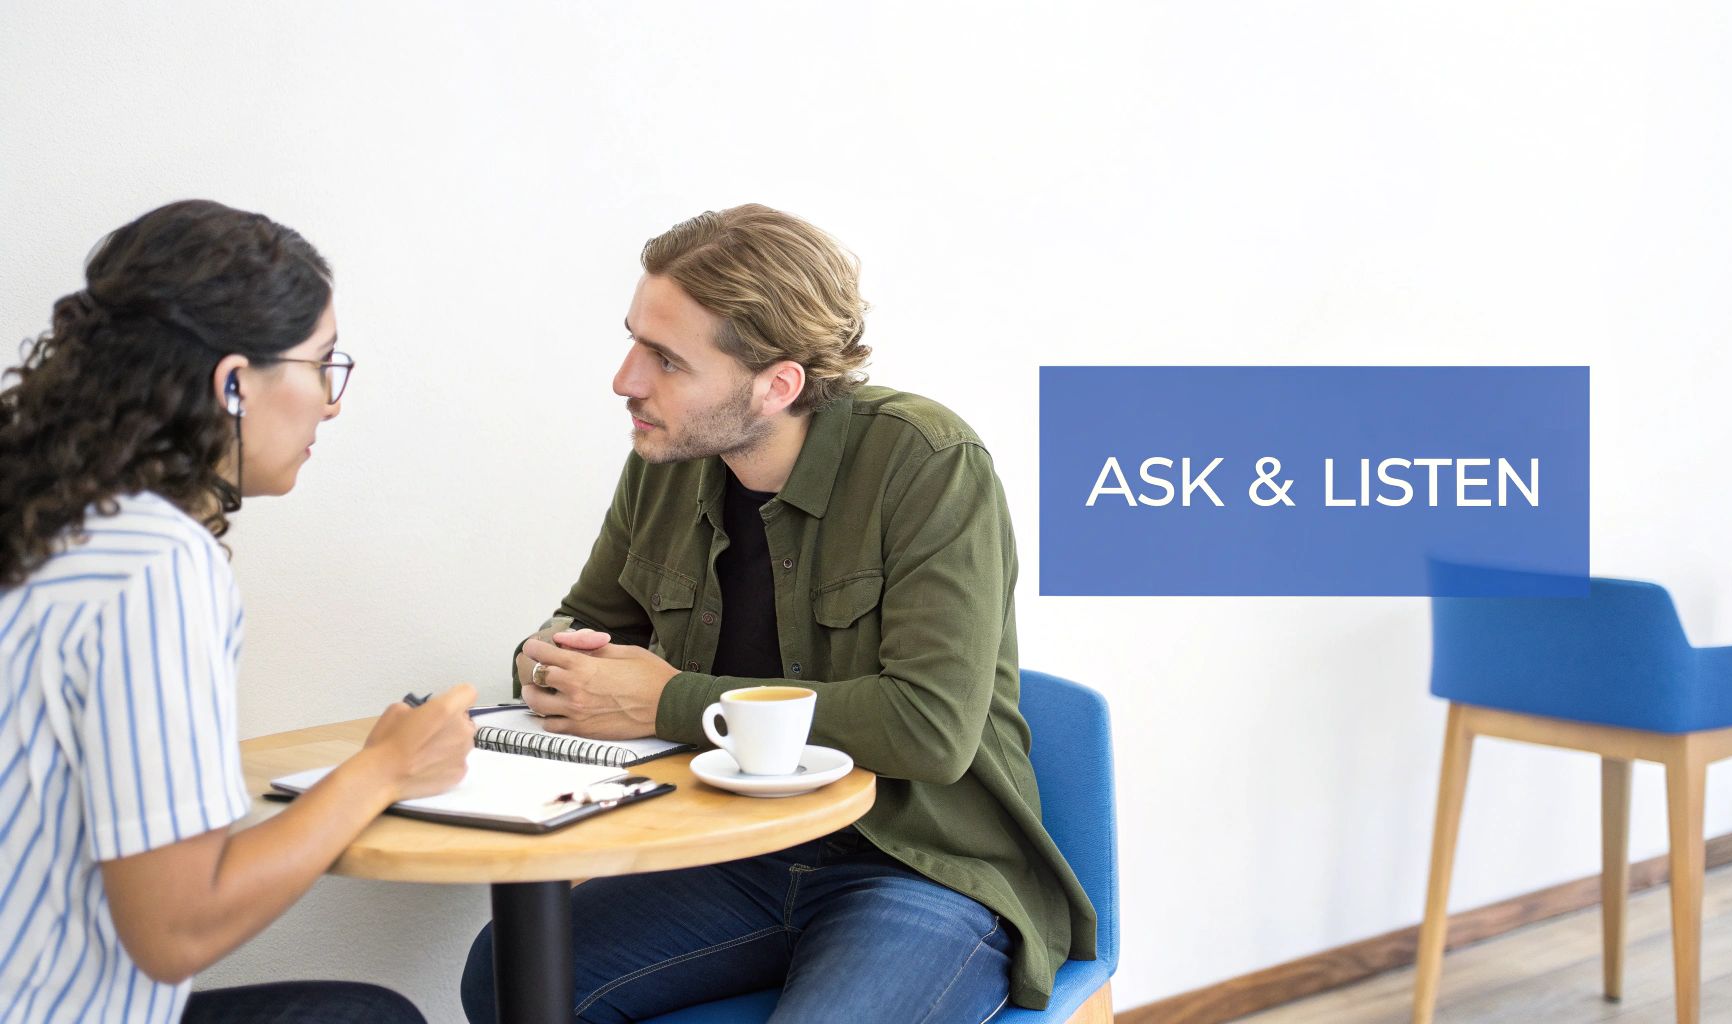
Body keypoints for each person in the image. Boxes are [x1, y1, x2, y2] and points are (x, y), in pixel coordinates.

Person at [461, 205, 1096, 1023]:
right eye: (633, 340)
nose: (626, 380)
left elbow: (930, 729)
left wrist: (665, 700)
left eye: (665, 359)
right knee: (512, 977)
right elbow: (583, 621)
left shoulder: (928, 464)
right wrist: (552, 666)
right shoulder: (665, 462)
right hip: (737, 852)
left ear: (778, 383)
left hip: (919, 865)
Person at [0, 199, 477, 1023]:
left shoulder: (42, 519)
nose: (331, 403)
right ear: (232, 383)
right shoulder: (156, 564)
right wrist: (383, 770)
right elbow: (178, 930)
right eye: (322, 365)